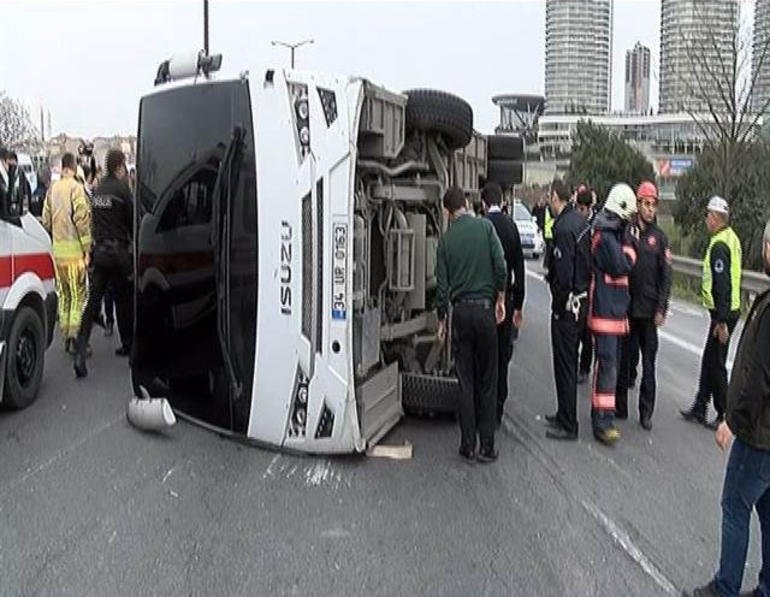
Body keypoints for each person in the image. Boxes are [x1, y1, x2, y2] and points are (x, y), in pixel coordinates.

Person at [684, 219, 770, 597]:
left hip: (759, 434)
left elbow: (757, 377)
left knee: (734, 505)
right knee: (767, 511)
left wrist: (732, 422)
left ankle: (725, 588)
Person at [436, 186, 507, 463]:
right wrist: (499, 298)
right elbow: (500, 266)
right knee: (488, 381)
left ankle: (467, 445)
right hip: (486, 311)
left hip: (461, 314)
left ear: (447, 212)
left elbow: (442, 289)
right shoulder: (486, 228)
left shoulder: (445, 241)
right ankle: (487, 446)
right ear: (466, 203)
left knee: (465, 381)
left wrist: (443, 320)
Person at [681, 196, 742, 429]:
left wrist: (721, 321)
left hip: (723, 313)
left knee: (716, 362)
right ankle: (700, 406)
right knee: (709, 358)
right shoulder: (730, 238)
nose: (706, 219)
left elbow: (722, 284)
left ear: (716, 218)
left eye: (708, 215)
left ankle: (725, 413)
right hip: (726, 310)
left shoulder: (719, 245)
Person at [615, 181, 672, 431]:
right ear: (638, 205)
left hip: (649, 312)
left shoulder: (660, 238)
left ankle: (646, 412)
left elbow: (666, 277)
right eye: (646, 204)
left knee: (649, 365)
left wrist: (661, 308)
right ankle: (619, 406)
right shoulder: (627, 231)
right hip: (628, 308)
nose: (650, 209)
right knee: (625, 360)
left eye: (653, 205)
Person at [73, 149, 134, 378]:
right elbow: (131, 221)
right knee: (125, 300)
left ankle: (80, 353)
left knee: (93, 303)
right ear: (119, 165)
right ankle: (130, 346)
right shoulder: (122, 189)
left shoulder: (97, 191)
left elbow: (93, 221)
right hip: (119, 253)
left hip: (100, 253)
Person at [587, 183, 638, 445]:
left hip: (614, 312)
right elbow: (622, 264)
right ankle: (601, 422)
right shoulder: (605, 236)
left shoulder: (612, 233)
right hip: (606, 312)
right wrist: (630, 245)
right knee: (606, 367)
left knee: (611, 367)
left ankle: (605, 415)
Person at [544, 179, 591, 441]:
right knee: (569, 362)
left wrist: (559, 302)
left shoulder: (562, 228)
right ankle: (563, 413)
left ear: (554, 197)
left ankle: (568, 423)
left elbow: (562, 273)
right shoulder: (581, 222)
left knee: (564, 365)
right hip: (581, 300)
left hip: (567, 306)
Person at [482, 182, 525, 425]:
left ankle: (484, 404)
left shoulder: (483, 227)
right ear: (503, 201)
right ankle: (499, 404)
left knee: (484, 354)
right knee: (502, 352)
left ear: (484, 202)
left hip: (485, 298)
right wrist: (518, 303)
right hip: (505, 299)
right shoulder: (511, 227)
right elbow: (518, 266)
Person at [41, 153, 92, 352]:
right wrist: (87, 250)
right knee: (78, 296)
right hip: (74, 255)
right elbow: (82, 222)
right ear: (74, 166)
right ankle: (75, 336)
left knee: (64, 296)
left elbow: (45, 220)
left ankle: (65, 335)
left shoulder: (52, 190)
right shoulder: (76, 188)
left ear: (63, 167)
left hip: (58, 255)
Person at [575, 185, 596, 384]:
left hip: (591, 283)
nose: (580, 213)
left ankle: (584, 367)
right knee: (577, 328)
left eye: (583, 209)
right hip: (579, 283)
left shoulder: (595, 226)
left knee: (587, 331)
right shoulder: (576, 224)